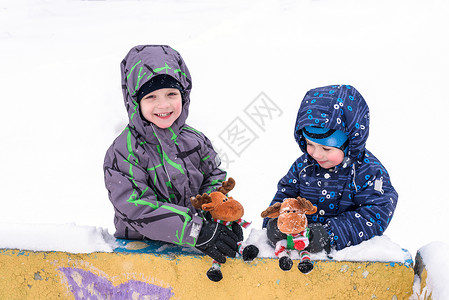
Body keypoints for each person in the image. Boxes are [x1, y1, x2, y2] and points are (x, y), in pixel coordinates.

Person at [104, 45, 240, 264]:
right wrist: (195, 230)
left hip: (192, 248)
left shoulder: (196, 140)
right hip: (142, 254)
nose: (164, 104)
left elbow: (214, 175)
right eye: (151, 97)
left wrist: (212, 213)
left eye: (171, 94)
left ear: (183, 96)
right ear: (134, 101)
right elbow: (135, 207)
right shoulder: (124, 152)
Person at [263, 84, 398, 253]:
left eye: (326, 149)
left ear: (351, 142)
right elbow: (286, 195)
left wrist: (330, 234)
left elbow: (374, 214)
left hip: (344, 258)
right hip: (299, 250)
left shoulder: (369, 172)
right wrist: (276, 223)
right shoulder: (303, 166)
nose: (317, 154)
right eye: (310, 144)